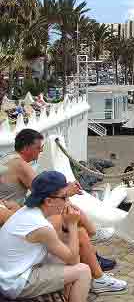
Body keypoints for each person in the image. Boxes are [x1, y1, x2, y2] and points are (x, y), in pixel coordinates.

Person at [0, 129, 117, 273]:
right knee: (69, 212)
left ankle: (92, 246)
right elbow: (42, 190)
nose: (40, 152)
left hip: (15, 213)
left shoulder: (8, 158)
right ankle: (93, 241)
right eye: (38, 148)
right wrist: (68, 191)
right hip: (15, 216)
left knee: (68, 210)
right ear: (26, 148)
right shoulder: (20, 165)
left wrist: (65, 191)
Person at [0, 171, 91, 301]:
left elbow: (67, 252)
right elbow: (72, 258)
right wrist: (72, 225)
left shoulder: (27, 211)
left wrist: (67, 226)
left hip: (8, 275)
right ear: (48, 201)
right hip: (15, 283)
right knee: (83, 271)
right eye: (64, 197)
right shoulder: (42, 227)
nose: (67, 202)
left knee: (65, 260)